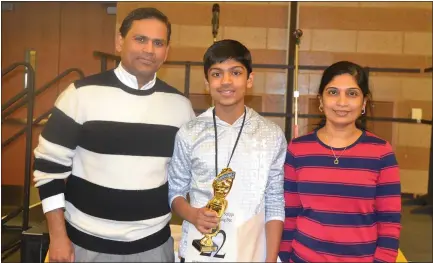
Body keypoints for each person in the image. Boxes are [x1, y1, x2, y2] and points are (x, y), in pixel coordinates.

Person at [33, 7, 195, 262]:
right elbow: (48, 169)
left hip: (154, 248)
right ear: (120, 41)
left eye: (158, 42)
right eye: (140, 39)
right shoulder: (79, 95)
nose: (149, 50)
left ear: (167, 51)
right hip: (84, 246)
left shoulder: (180, 107)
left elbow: (185, 176)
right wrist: (58, 237)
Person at [168, 39, 287, 262]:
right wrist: (194, 215)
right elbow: (175, 191)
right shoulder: (189, 132)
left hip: (251, 252)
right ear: (206, 82)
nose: (226, 81)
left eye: (235, 72)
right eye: (216, 74)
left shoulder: (271, 135)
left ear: (249, 79)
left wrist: (270, 259)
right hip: (199, 253)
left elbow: (274, 202)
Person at [279, 61, 401, 262]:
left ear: (364, 102)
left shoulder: (381, 152)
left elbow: (389, 221)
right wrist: (285, 257)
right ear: (321, 99)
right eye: (333, 92)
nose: (342, 102)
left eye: (352, 93)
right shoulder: (298, 149)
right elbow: (290, 214)